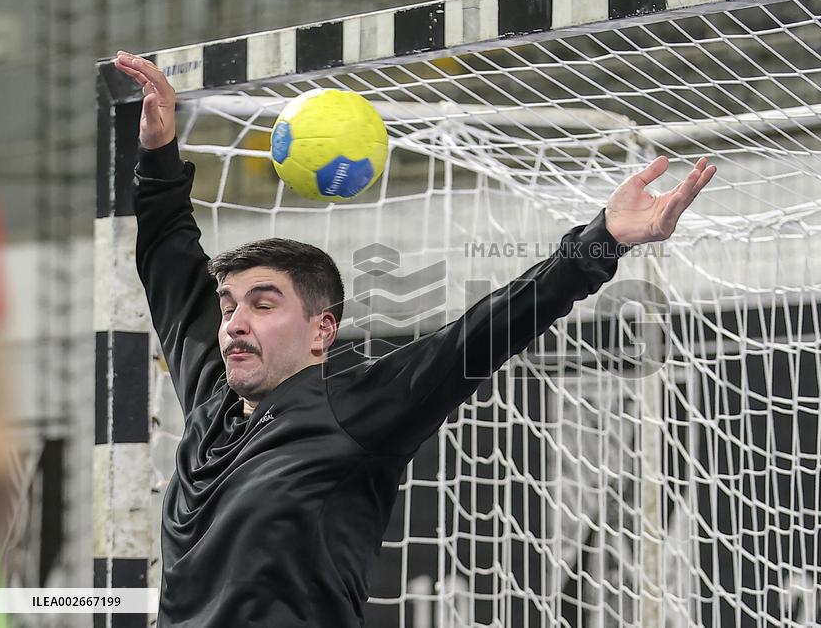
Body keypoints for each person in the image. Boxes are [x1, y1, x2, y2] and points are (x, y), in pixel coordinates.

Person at [113, 50, 716, 627]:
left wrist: (602, 239)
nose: (236, 321)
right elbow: (168, 257)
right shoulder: (210, 401)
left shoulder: (353, 411)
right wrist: (159, 148)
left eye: (264, 304)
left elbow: (483, 333)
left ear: (323, 330)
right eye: (229, 307)